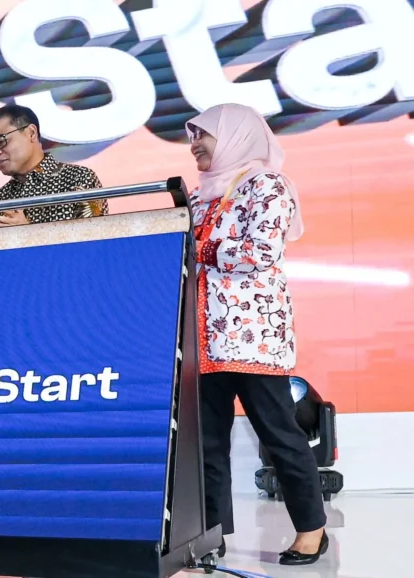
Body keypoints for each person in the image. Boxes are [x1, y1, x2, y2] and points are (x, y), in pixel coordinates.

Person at [187, 103, 326, 566]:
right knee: (207, 444)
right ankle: (211, 533)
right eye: (191, 137)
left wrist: (200, 247)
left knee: (280, 435)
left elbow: (260, 251)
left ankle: (312, 530)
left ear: (234, 135)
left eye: (202, 135)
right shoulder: (198, 196)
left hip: (252, 340)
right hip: (202, 341)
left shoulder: (267, 185)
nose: (194, 146)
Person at [0, 104, 105, 229]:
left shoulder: (79, 179)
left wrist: (27, 231)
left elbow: (94, 239)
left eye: (1, 142)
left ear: (31, 133)